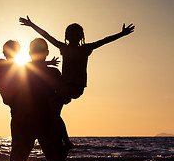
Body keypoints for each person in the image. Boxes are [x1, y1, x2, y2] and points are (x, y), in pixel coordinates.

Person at [19, 16, 135, 149]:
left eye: (75, 34)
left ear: (80, 37)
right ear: (67, 36)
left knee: (53, 106)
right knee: (53, 109)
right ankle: (62, 139)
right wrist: (32, 24)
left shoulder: (84, 49)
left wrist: (122, 34)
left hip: (74, 87)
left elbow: (105, 41)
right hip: (64, 86)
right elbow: (47, 35)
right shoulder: (67, 48)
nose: (72, 36)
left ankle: (62, 140)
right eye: (70, 34)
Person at [0, 38, 75, 161]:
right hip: (27, 122)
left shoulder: (51, 72)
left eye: (41, 51)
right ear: (30, 54)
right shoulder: (24, 70)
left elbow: (62, 96)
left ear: (45, 53)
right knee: (17, 160)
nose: (38, 55)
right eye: (35, 51)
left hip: (42, 122)